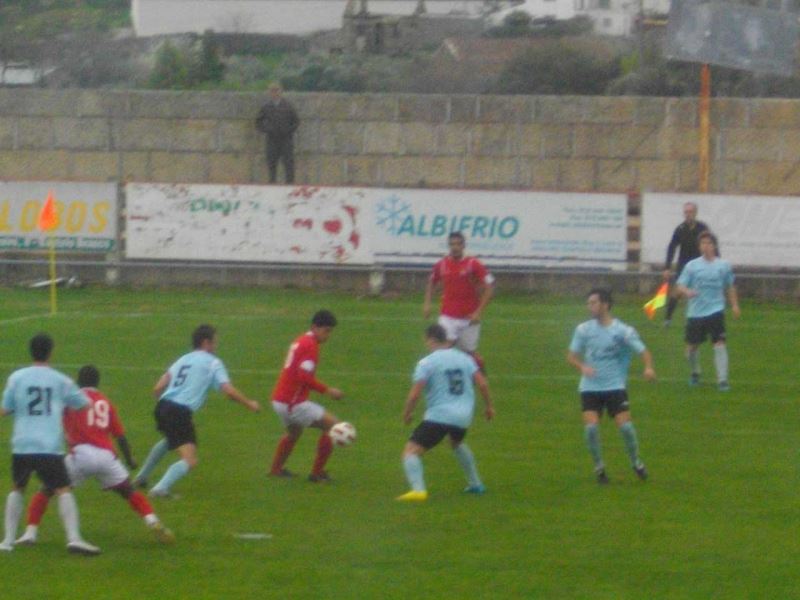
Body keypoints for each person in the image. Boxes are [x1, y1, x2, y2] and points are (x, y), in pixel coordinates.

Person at [15, 365, 174, 546]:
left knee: (46, 489)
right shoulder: (105, 402)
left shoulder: (72, 400)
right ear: (98, 383)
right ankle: (152, 520)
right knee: (128, 491)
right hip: (106, 456)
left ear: (78, 381)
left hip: (80, 455)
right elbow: (119, 436)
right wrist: (130, 459)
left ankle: (30, 533)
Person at [0, 333, 100, 555]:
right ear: (51, 352)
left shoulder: (17, 377)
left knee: (18, 488)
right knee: (63, 489)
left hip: (22, 444)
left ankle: (7, 541)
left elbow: (4, 409)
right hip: (49, 445)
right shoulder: (60, 380)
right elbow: (84, 404)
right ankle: (74, 538)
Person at [133, 324, 261, 497]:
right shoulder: (213, 362)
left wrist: (165, 406)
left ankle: (141, 477)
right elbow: (228, 391)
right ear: (206, 342)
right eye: (214, 343)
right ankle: (160, 489)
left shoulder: (184, 358)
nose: (216, 347)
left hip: (163, 405)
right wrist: (250, 403)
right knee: (190, 460)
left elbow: (159, 387)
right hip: (179, 410)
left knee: (169, 440)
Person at [397, 324, 495, 502]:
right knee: (456, 442)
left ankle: (418, 491)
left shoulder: (427, 362)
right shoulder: (465, 358)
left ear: (431, 340)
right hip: (464, 416)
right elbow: (482, 383)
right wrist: (489, 407)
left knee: (410, 452)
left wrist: (407, 413)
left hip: (439, 416)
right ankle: (476, 484)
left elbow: (415, 394)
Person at [567, 288, 655, 485]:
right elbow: (571, 357)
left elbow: (644, 351)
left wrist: (648, 368)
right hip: (589, 387)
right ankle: (599, 467)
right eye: (588, 303)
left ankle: (636, 462)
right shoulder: (583, 330)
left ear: (605, 305)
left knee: (626, 428)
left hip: (615, 386)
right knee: (591, 429)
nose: (590, 307)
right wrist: (583, 366)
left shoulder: (623, 331)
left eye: (593, 303)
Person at [269, 310, 346, 482]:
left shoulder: (301, 340)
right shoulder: (310, 346)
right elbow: (303, 376)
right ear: (314, 327)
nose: (328, 335)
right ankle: (317, 474)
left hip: (279, 400)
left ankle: (276, 469)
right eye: (326, 331)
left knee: (293, 433)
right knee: (334, 426)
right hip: (292, 402)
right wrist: (328, 390)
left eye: (330, 331)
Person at [675, 231, 740, 391]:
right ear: (699, 246)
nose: (706, 246)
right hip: (696, 313)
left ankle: (722, 380)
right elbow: (680, 286)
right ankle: (695, 372)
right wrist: (687, 291)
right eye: (703, 243)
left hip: (716, 310)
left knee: (719, 344)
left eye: (709, 243)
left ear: (714, 246)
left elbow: (730, 286)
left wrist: (734, 305)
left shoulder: (723, 265)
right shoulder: (692, 266)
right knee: (691, 348)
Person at [423, 231, 495, 371]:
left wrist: (478, 312)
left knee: (470, 354)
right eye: (452, 244)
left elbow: (490, 287)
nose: (455, 247)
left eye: (458, 244)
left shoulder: (473, 264)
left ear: (464, 246)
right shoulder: (442, 265)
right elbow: (431, 282)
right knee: (441, 350)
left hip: (468, 319)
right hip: (448, 317)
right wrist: (427, 303)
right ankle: (440, 381)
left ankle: (480, 380)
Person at [662, 202, 711, 326]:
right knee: (677, 292)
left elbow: (710, 244)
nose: (688, 215)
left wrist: (713, 261)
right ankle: (668, 319)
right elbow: (672, 247)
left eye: (690, 212)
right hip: (683, 265)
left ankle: (698, 318)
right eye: (686, 212)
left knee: (699, 292)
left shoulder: (702, 228)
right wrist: (667, 267)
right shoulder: (680, 229)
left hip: (700, 265)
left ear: (695, 213)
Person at [255, 82, 299, 184]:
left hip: (286, 139)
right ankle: (272, 183)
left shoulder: (288, 106)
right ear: (269, 93)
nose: (275, 93)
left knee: (288, 163)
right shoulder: (266, 107)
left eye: (277, 90)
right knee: (271, 163)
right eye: (272, 91)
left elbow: (296, 121)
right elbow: (258, 122)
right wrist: (267, 130)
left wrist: (288, 130)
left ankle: (289, 184)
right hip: (272, 139)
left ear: (281, 92)